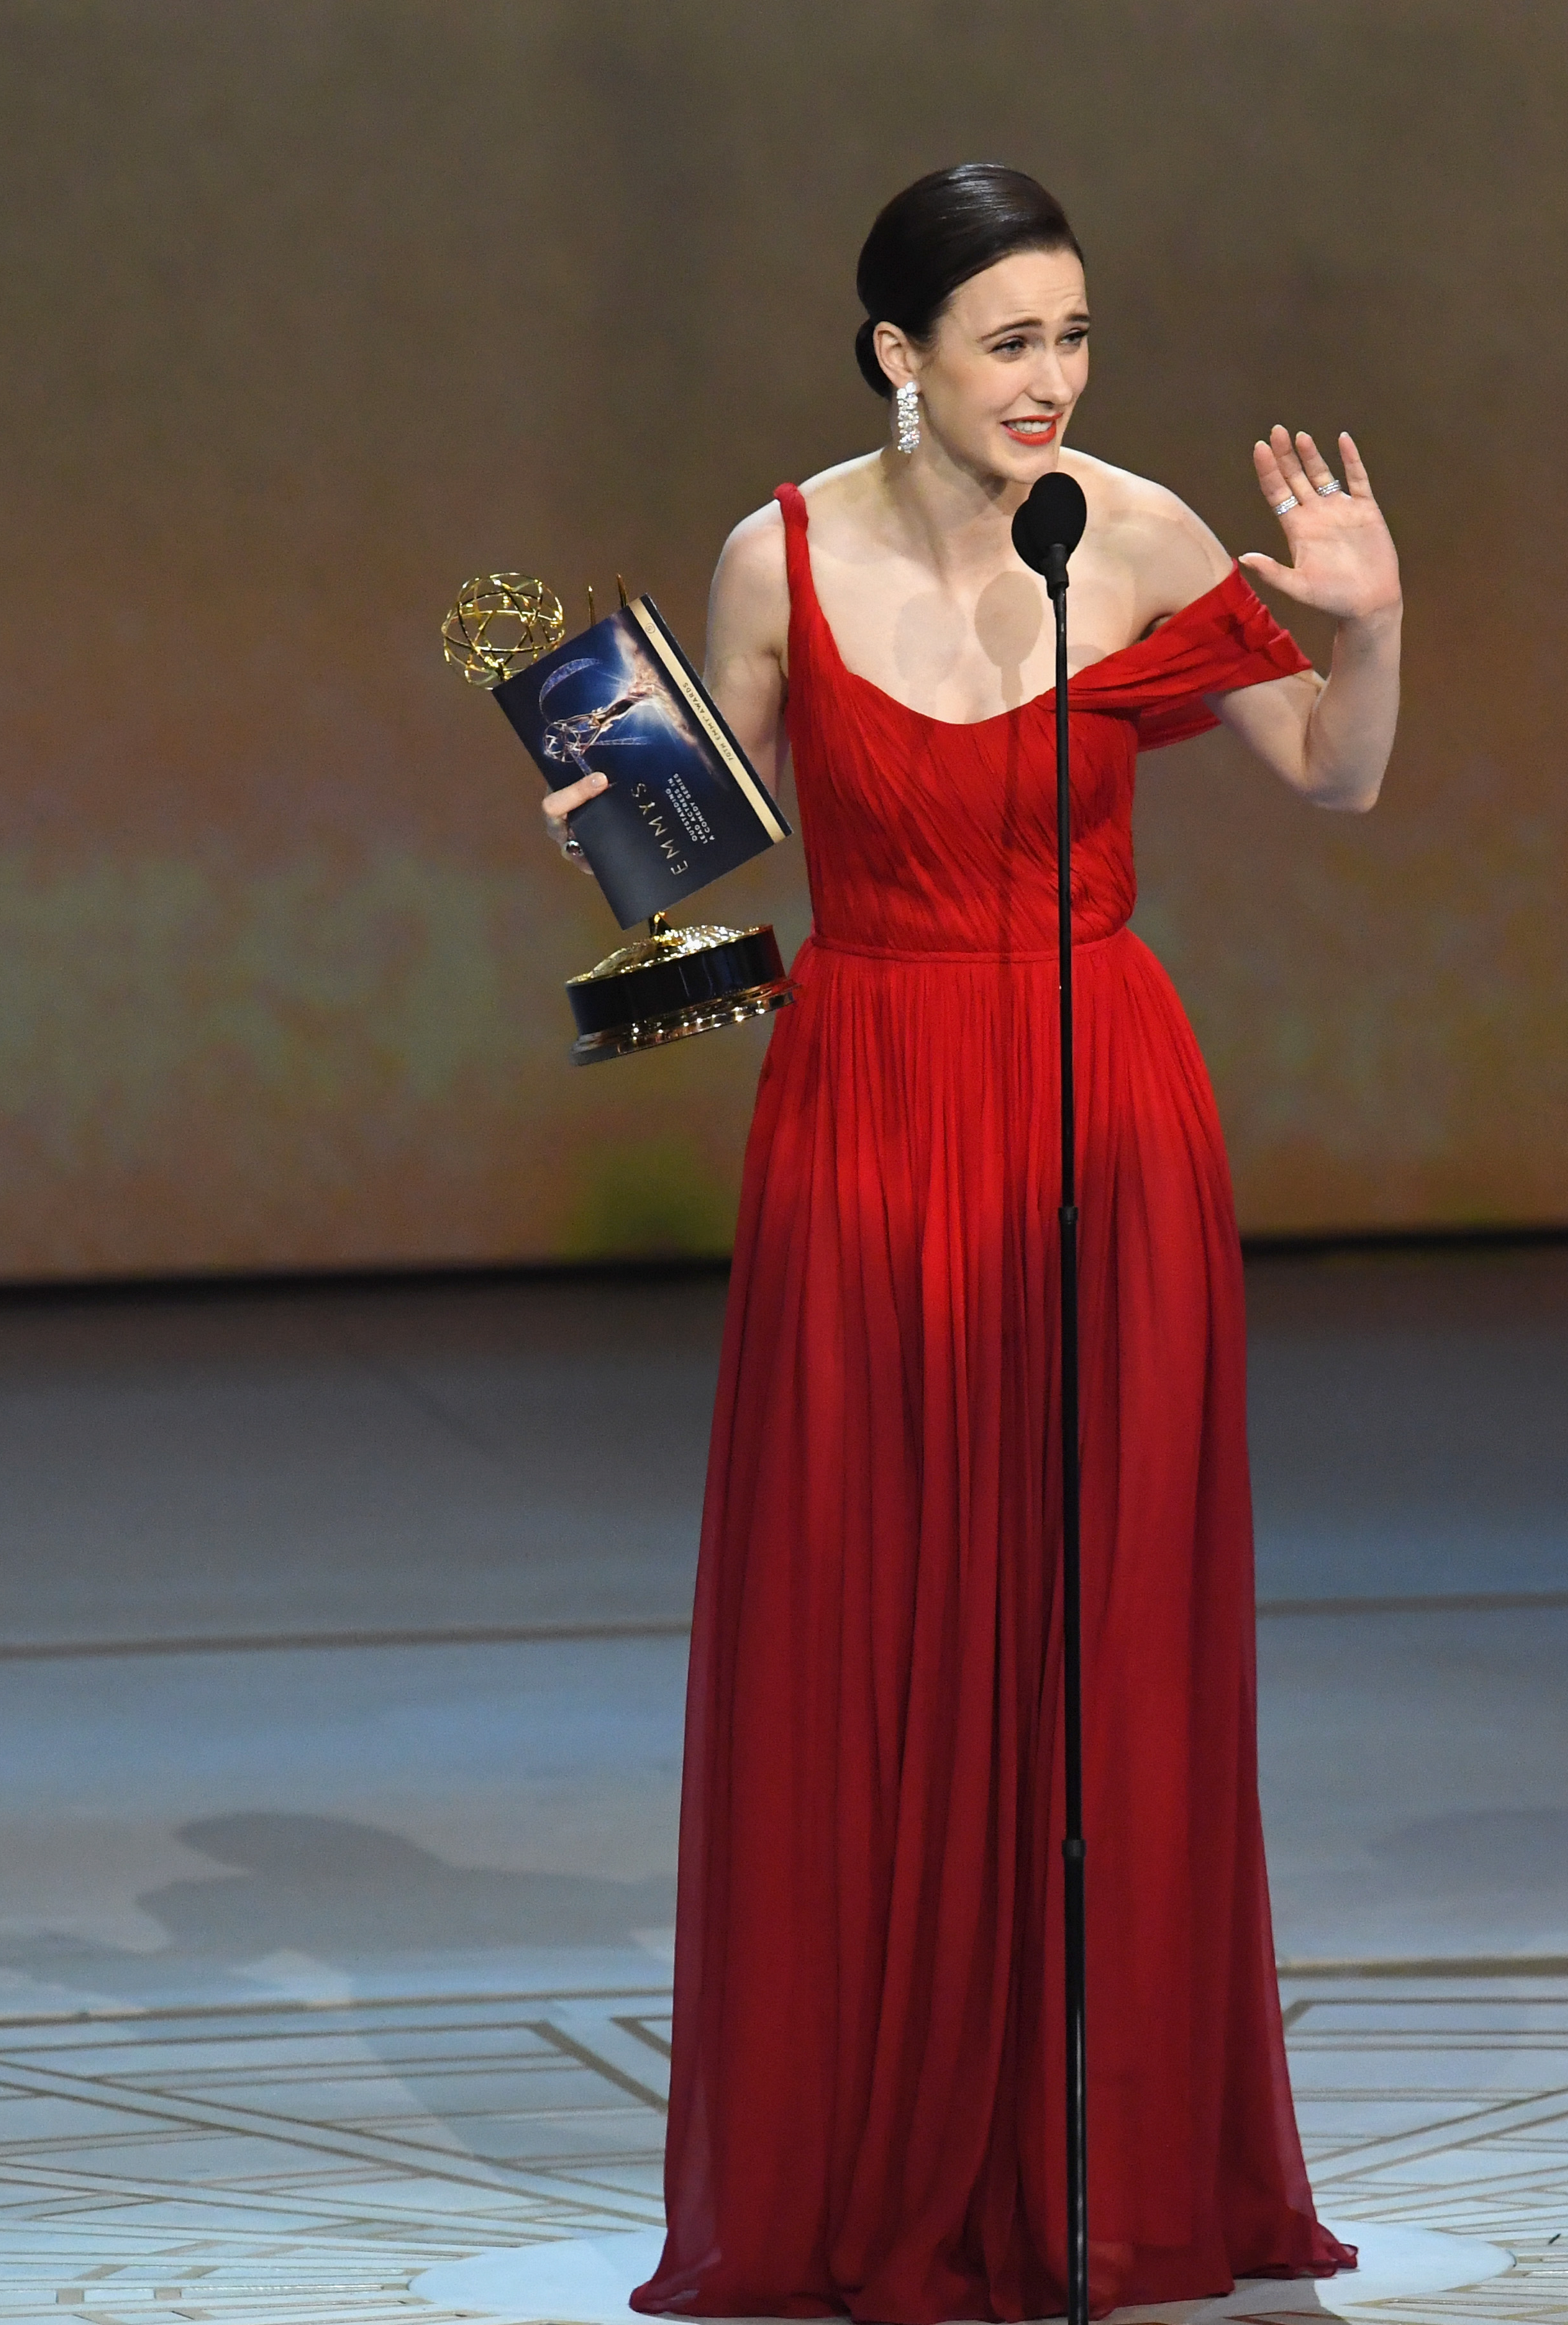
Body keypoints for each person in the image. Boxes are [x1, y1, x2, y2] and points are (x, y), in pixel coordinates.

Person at [543, 161, 1401, 2324]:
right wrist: (602, 814)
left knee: (1099, 1637)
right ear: (894, 353)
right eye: (1009, 340)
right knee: (874, 1625)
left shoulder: (1128, 535)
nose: (1053, 381)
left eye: (1076, 336)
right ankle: (884, 2158)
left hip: (1101, 1107)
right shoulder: (777, 553)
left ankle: (1103, 2173)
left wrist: (1368, 628)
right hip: (865, 1109)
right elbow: (667, 897)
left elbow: (1333, 775)